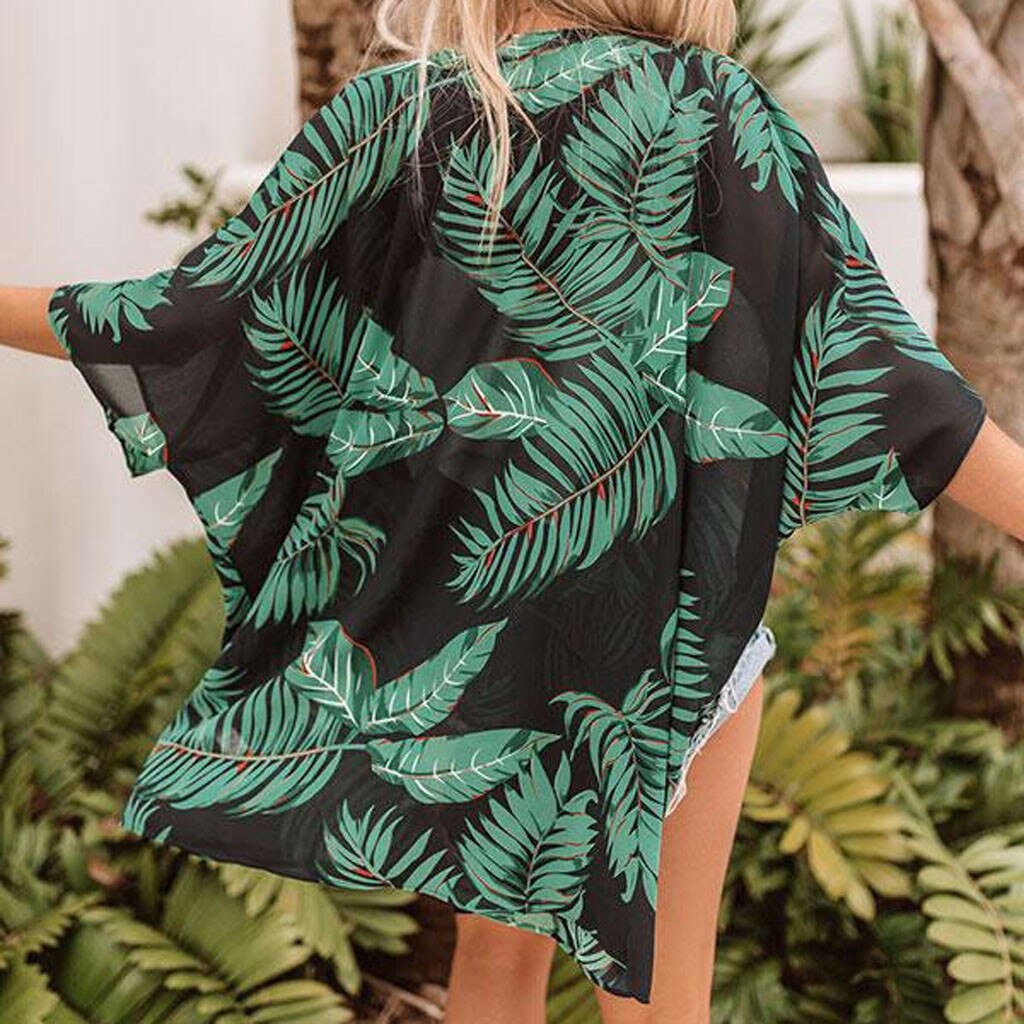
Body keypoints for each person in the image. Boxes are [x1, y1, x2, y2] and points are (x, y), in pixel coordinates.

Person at [3, 2, 1024, 1021]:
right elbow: (887, 380)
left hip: (482, 639)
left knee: (492, 973)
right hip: (664, 644)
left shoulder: (399, 114)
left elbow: (183, 317)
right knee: (660, 1005)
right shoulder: (713, 108)